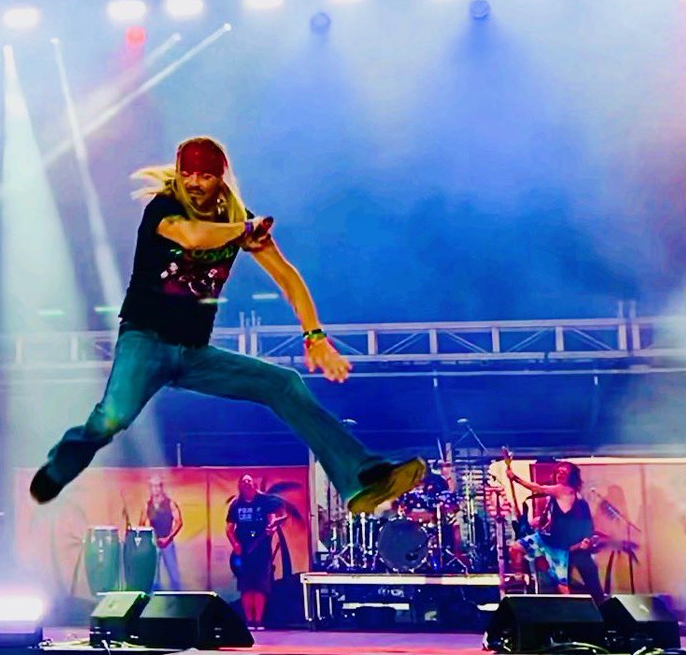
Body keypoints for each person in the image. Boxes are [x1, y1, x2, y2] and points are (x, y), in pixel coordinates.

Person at [28, 137, 425, 514]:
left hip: (194, 354)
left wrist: (315, 335)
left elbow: (287, 278)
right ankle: (59, 468)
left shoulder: (238, 219)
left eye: (204, 176)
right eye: (188, 175)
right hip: (144, 341)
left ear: (220, 178)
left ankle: (360, 477)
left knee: (283, 383)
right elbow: (195, 237)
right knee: (111, 419)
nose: (195, 184)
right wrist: (245, 231)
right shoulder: (164, 207)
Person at [506, 461, 603, 602]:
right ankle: (519, 577)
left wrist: (515, 478)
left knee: (566, 585)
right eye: (558, 472)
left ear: (571, 477)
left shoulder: (563, 490)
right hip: (547, 539)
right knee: (516, 548)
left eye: (564, 472)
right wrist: (540, 521)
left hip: (561, 545)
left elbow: (537, 488)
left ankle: (582, 611)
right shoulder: (560, 497)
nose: (560, 475)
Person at [226, 475, 285, 630]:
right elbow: (229, 529)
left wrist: (271, 529)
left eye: (249, 481)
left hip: (262, 550)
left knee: (260, 586)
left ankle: (258, 621)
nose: (247, 484)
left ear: (254, 484)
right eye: (244, 482)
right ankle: (249, 621)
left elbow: (272, 522)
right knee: (246, 586)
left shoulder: (264, 501)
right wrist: (235, 544)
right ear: (240, 485)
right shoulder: (236, 505)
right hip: (243, 551)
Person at [141, 474, 183, 590]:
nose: (156, 489)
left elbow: (179, 522)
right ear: (150, 488)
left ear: (161, 487)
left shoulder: (170, 503)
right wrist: (150, 538)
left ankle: (178, 601)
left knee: (174, 576)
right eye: (153, 486)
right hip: (153, 544)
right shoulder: (147, 506)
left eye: (158, 486)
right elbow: (142, 524)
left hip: (167, 542)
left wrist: (168, 538)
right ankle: (155, 602)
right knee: (154, 578)